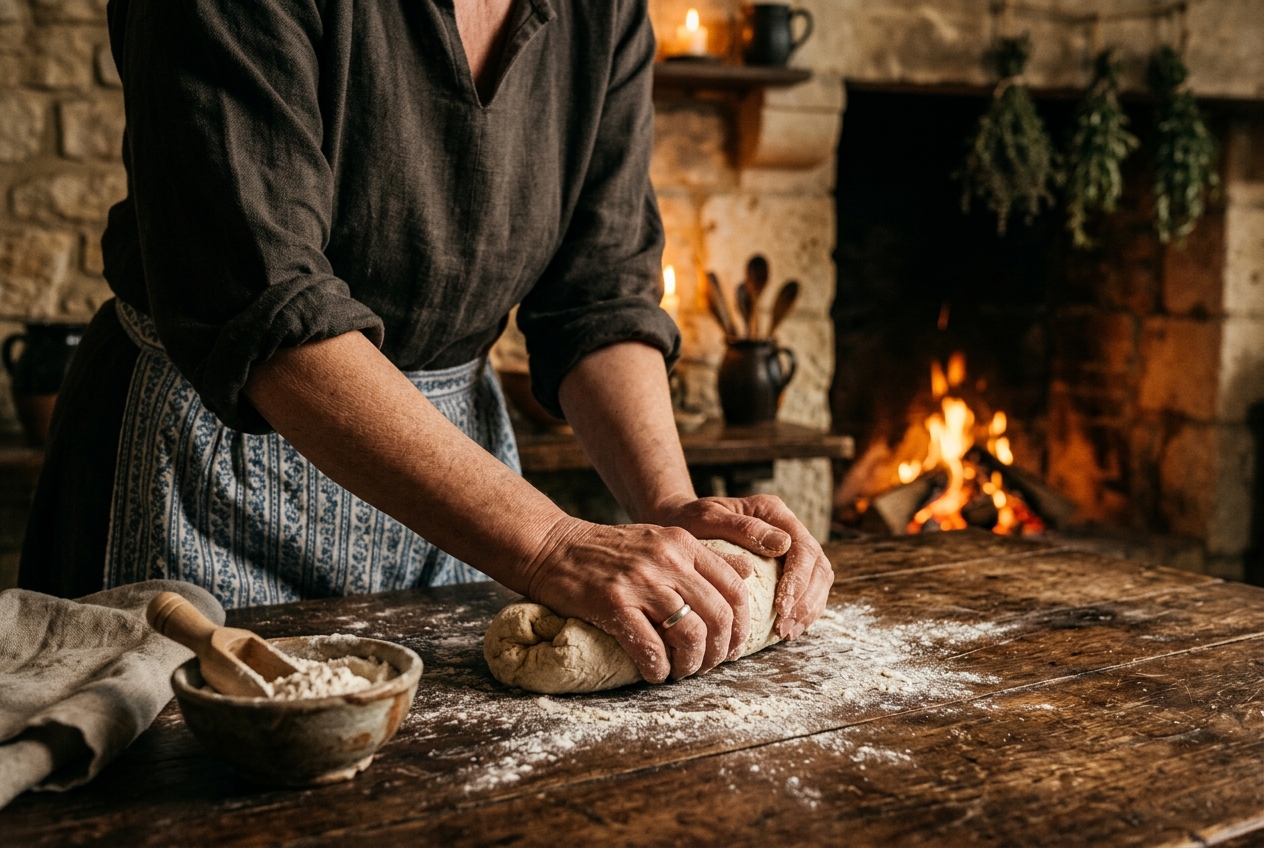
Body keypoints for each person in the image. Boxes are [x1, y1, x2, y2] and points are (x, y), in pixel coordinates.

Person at [19, 0, 832, 684]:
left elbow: (600, 293)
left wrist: (670, 507)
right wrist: (550, 542)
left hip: (462, 485)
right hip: (205, 470)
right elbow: (265, 304)